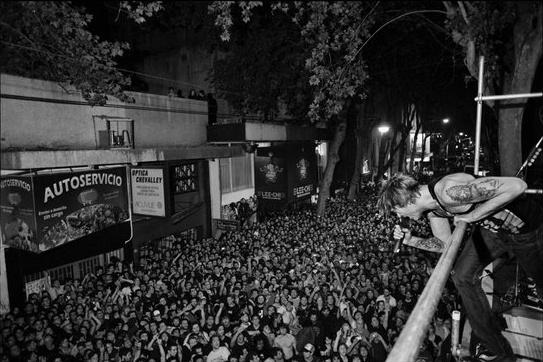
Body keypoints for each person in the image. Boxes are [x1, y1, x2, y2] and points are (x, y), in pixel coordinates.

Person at [378, 173, 543, 362]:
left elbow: (517, 186)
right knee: (462, 276)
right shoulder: (434, 210)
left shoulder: (448, 191)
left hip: (525, 231)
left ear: (403, 202)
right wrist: (411, 240)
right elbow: (445, 245)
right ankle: (500, 351)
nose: (399, 217)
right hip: (494, 231)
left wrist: (472, 216)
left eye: (396, 212)